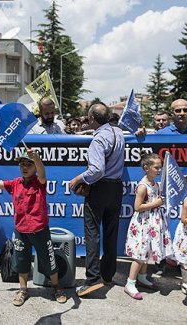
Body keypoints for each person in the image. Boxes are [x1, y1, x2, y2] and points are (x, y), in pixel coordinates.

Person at [0, 149, 68, 306]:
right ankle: (23, 290)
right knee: (21, 262)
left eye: (29, 164)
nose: (25, 167)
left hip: (40, 230)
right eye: (22, 164)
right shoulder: (15, 183)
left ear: (35, 167)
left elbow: (42, 173)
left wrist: (36, 158)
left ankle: (56, 287)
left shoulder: (39, 183)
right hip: (21, 231)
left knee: (49, 260)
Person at [69, 103, 125, 297]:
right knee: (111, 232)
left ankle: (93, 279)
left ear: (92, 118)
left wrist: (78, 178)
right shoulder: (118, 132)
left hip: (100, 188)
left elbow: (97, 170)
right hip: (116, 188)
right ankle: (107, 274)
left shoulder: (99, 139)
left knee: (92, 234)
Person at [124, 153, 171, 300]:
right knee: (139, 254)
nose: (159, 170)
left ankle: (142, 277)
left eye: (160, 167)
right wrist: (155, 203)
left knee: (147, 251)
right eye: (156, 167)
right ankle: (130, 283)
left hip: (152, 222)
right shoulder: (142, 187)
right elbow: (137, 207)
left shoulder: (155, 184)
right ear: (146, 168)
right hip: (143, 223)